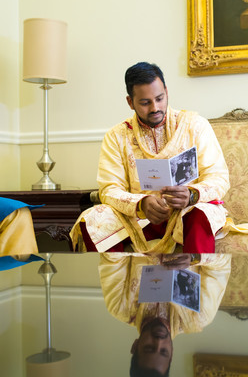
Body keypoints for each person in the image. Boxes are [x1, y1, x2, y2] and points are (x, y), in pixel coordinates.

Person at [70, 62, 230, 253]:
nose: (155, 108)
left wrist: (191, 194)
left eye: (159, 98)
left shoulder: (194, 125)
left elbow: (219, 178)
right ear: (130, 102)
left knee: (199, 215)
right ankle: (123, 282)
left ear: (167, 92)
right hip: (139, 218)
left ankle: (194, 282)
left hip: (186, 211)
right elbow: (109, 189)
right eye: (145, 103)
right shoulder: (116, 136)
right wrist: (140, 204)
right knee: (92, 219)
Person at [98, 252, 231, 377]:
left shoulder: (119, 307)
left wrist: (150, 252)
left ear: (135, 346)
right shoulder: (199, 316)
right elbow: (223, 262)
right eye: (163, 351)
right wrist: (194, 258)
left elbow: (109, 256)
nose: (159, 341)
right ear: (172, 353)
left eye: (149, 348)